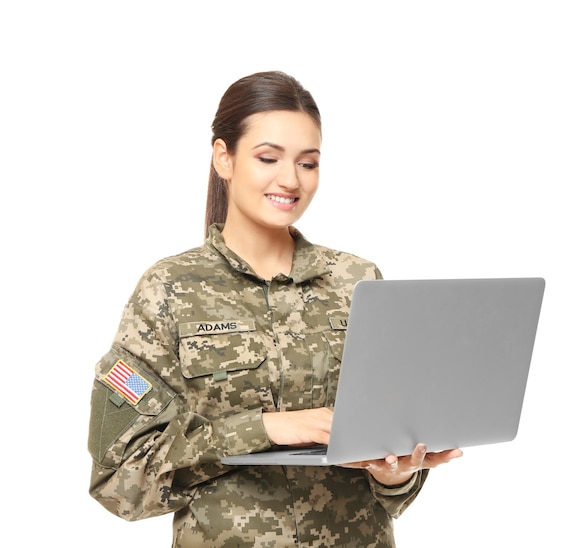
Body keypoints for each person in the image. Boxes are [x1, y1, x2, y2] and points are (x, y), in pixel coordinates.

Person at [87, 70, 463, 547]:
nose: (291, 180)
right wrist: (264, 429)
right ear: (223, 157)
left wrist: (395, 476)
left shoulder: (358, 280)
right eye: (268, 158)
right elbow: (120, 480)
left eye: (308, 163)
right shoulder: (168, 289)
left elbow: (391, 476)